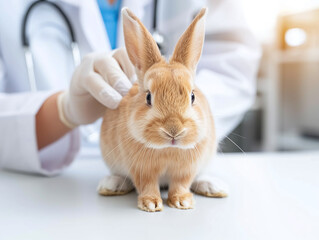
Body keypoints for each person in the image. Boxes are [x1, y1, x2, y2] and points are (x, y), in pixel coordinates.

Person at [0, 0, 261, 176]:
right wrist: (63, 111)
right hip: (51, 180)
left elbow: (232, 63)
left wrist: (191, 111)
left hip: (183, 164)